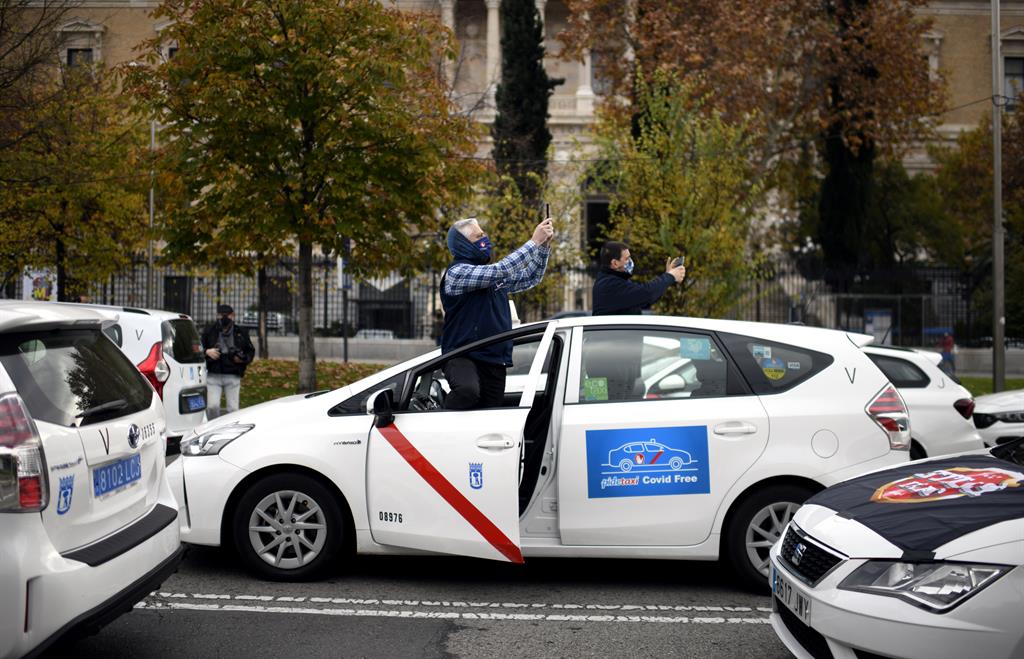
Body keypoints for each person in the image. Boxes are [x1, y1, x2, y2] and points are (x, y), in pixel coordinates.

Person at [440, 216, 553, 410]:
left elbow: (530, 277)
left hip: (494, 358)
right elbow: (500, 270)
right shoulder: (457, 273)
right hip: (463, 354)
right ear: (464, 244)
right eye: (479, 236)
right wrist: (534, 241)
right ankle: (434, 423)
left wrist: (543, 247)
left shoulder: (489, 274)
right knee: (467, 392)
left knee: (490, 414)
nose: (485, 239)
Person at [592, 241, 686, 316]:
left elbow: (645, 300)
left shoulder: (615, 280)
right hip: (613, 339)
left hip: (620, 339)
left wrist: (668, 276)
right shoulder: (609, 285)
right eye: (627, 259)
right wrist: (670, 276)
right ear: (615, 263)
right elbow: (647, 293)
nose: (630, 261)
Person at [202, 304, 256, 418]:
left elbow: (250, 351)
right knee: (212, 406)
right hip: (213, 374)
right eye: (222, 315)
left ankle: (231, 431)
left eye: (228, 315)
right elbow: (197, 349)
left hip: (233, 374)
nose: (225, 318)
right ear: (217, 316)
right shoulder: (209, 330)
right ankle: (212, 428)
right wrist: (207, 352)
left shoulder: (240, 332)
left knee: (233, 409)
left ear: (233, 316)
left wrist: (242, 359)